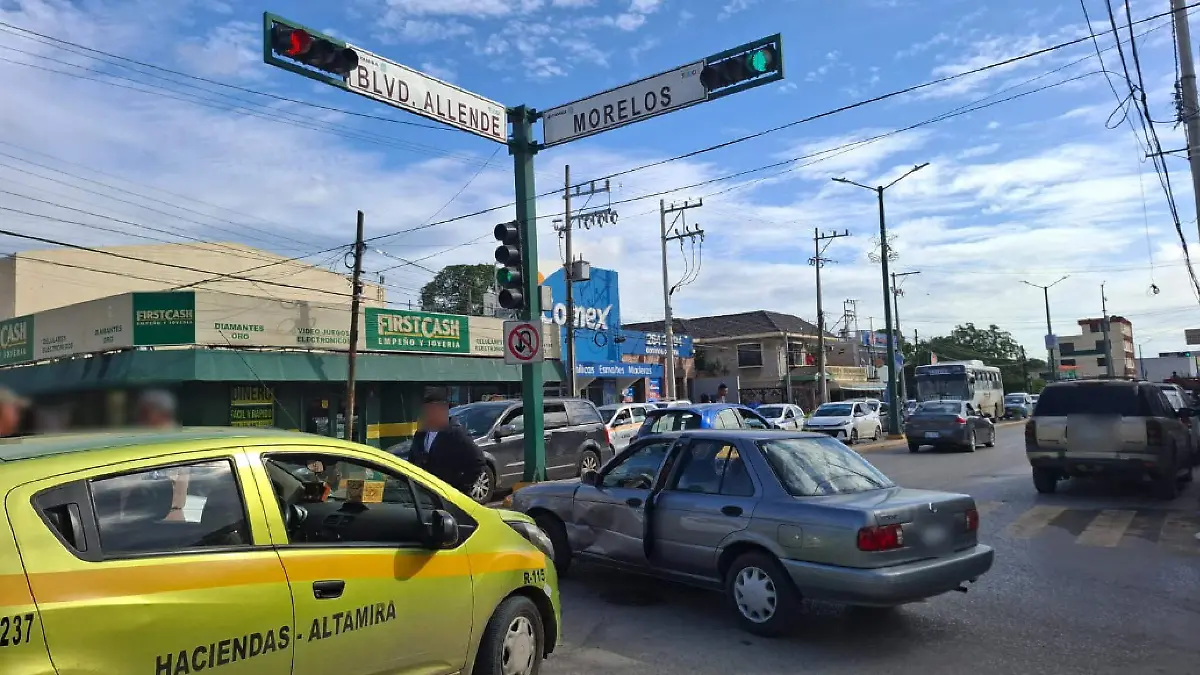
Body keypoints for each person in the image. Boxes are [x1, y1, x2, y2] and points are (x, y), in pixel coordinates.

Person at [409, 393, 487, 497]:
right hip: (424, 495)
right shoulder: (421, 433)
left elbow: (478, 461)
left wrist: (461, 487)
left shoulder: (456, 433)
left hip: (448, 496)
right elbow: (412, 460)